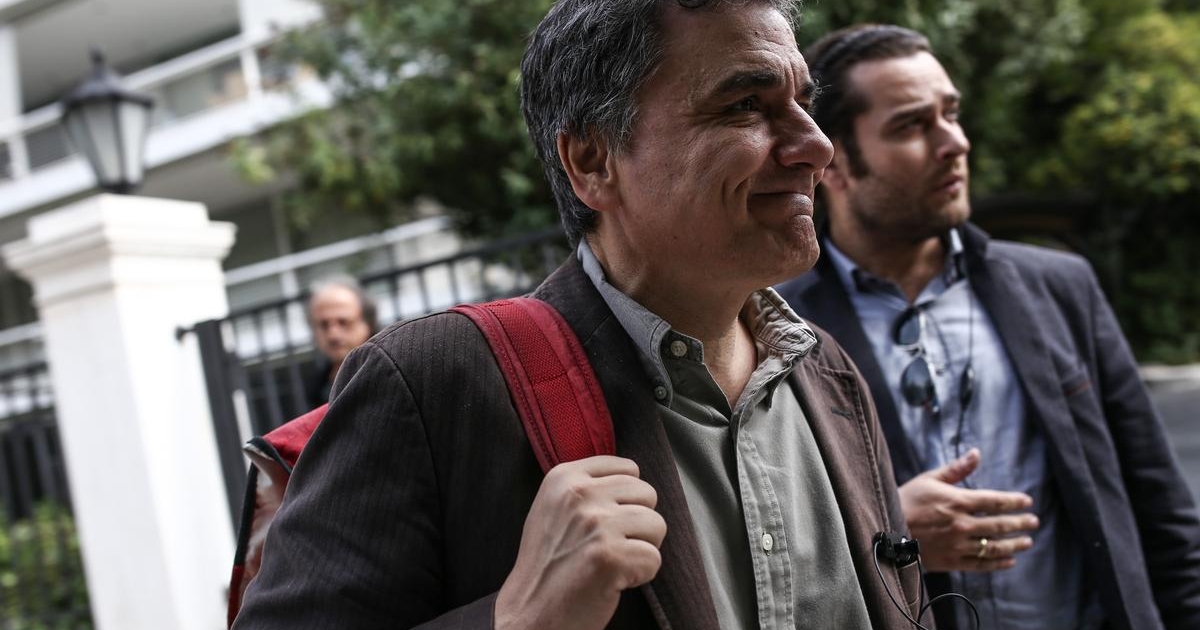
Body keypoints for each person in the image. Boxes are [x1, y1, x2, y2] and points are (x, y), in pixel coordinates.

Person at [232, 2, 926, 628]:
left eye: (803, 102)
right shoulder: (433, 382)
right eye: (745, 104)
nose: (816, 145)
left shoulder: (830, 376)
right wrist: (519, 617)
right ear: (592, 161)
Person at [776, 23, 1200, 629]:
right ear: (835, 163)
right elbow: (763, 544)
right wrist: (888, 531)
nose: (955, 142)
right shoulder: (781, 326)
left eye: (951, 114)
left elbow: (1162, 512)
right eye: (911, 125)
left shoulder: (1059, 287)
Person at [304, 275, 378, 408]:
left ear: (368, 324)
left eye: (343, 322)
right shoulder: (318, 386)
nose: (333, 335)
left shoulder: (387, 371)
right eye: (323, 325)